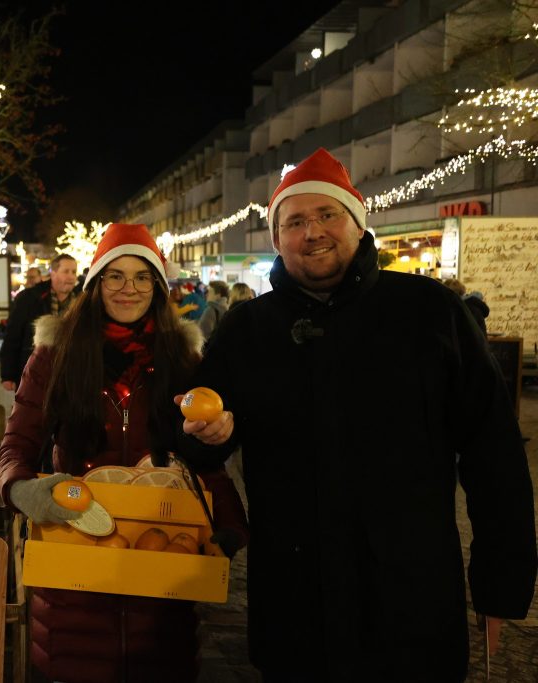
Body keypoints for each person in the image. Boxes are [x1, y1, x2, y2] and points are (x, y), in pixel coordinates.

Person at [187, 148, 536, 680]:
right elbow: (194, 440)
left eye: (327, 215)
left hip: (410, 601)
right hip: (295, 603)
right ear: (278, 239)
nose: (313, 232)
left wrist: (500, 584)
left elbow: (494, 455)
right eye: (295, 221)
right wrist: (206, 434)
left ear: (357, 223)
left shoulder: (431, 312)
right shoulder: (247, 329)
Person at [0, 224, 248, 682]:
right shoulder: (55, 354)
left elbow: (198, 457)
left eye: (142, 276)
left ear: (158, 286)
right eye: (115, 276)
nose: (128, 288)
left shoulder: (183, 358)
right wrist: (21, 489)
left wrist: (227, 522)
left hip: (162, 569)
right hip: (76, 559)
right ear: (95, 284)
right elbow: (17, 443)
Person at [0, 253, 78, 391]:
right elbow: (12, 336)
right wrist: (8, 375)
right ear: (53, 273)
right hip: (34, 372)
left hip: (68, 375)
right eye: (66, 271)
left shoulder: (80, 302)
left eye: (74, 272)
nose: (71, 277)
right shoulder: (29, 298)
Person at [197, 280, 228, 344]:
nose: (207, 294)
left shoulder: (210, 310)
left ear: (218, 295)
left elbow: (201, 335)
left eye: (210, 292)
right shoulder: (227, 308)